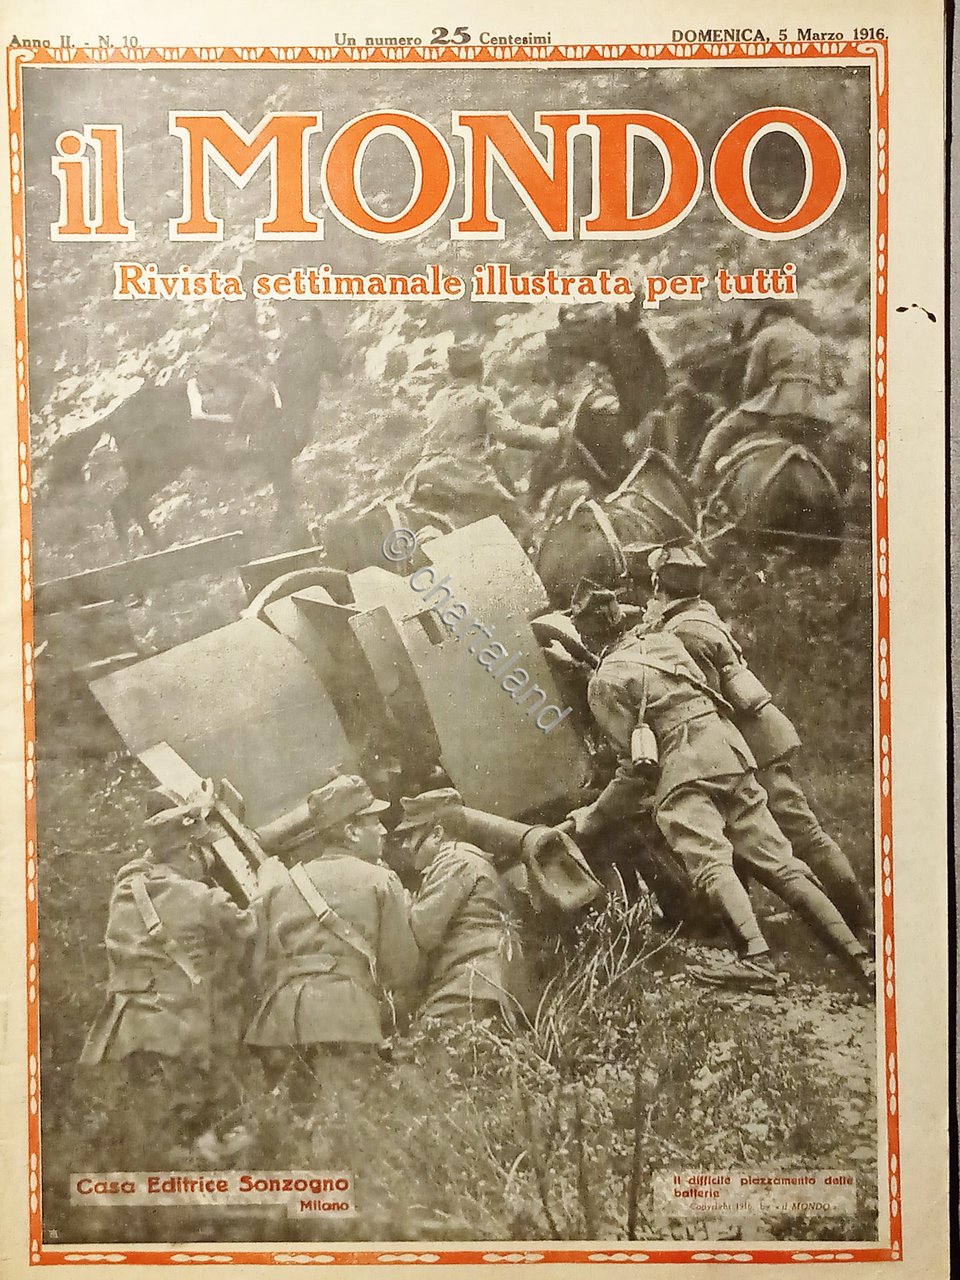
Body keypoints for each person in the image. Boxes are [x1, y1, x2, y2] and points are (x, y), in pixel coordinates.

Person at [567, 590, 875, 993]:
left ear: (587, 637)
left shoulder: (604, 682)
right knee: (782, 863)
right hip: (730, 753)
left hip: (683, 769)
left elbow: (635, 770)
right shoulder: (664, 643)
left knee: (711, 863)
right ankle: (861, 959)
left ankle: (757, 959)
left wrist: (592, 815)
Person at [645, 544, 873, 938]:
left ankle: (863, 924)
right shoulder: (701, 615)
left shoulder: (681, 632)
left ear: (659, 586)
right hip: (759, 737)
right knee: (774, 833)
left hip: (754, 746)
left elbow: (700, 699)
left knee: (802, 834)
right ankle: (849, 922)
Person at [79, 783, 256, 1152]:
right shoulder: (202, 897)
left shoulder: (126, 889)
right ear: (190, 851)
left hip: (125, 1036)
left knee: (144, 1141)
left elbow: (150, 866)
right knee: (191, 1139)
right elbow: (252, 926)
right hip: (176, 1038)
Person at [244, 774, 418, 1098]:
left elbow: (260, 965)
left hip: (279, 1022)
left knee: (295, 1117)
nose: (383, 830)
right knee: (348, 1118)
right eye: (374, 822)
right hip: (343, 1018)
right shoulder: (380, 880)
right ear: (351, 832)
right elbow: (402, 967)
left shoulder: (283, 884)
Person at [403, 341, 559, 535]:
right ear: (480, 370)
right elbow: (509, 433)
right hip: (465, 477)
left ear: (451, 373)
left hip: (424, 476)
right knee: (522, 526)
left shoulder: (438, 400)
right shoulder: (482, 396)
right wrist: (551, 436)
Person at [397, 788, 523, 1027]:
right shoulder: (469, 859)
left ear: (437, 834)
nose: (405, 845)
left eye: (411, 835)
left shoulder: (454, 860)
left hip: (467, 988)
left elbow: (422, 933)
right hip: (483, 984)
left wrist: (399, 899)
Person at [691, 302, 832, 490]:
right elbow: (823, 379)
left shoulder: (767, 335)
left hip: (777, 405)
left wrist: (748, 401)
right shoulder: (812, 339)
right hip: (814, 412)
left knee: (719, 434)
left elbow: (752, 380)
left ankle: (698, 482)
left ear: (770, 315)